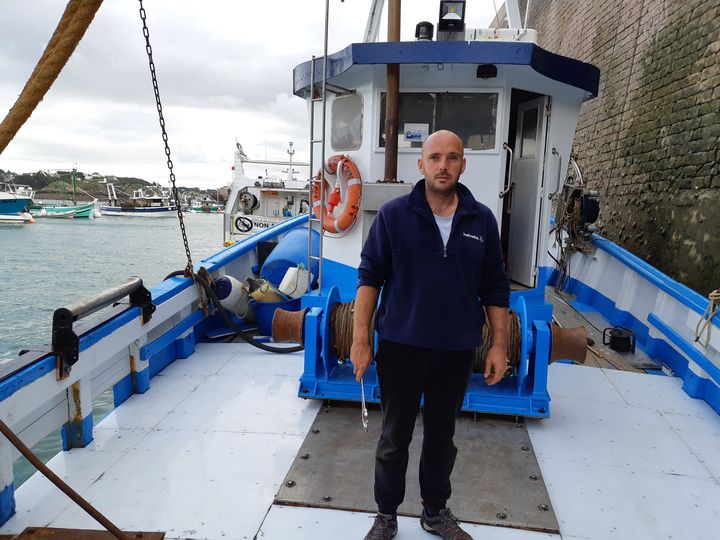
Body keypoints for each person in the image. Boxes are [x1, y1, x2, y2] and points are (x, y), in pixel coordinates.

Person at [351, 129, 510, 540]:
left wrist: (498, 345)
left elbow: (494, 286)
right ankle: (386, 514)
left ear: (463, 165)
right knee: (394, 436)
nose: (444, 165)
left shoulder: (482, 220)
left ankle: (435, 512)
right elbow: (369, 278)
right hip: (401, 347)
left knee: (443, 436)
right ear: (421, 165)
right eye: (435, 157)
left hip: (456, 349)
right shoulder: (393, 216)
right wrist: (360, 339)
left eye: (453, 157)